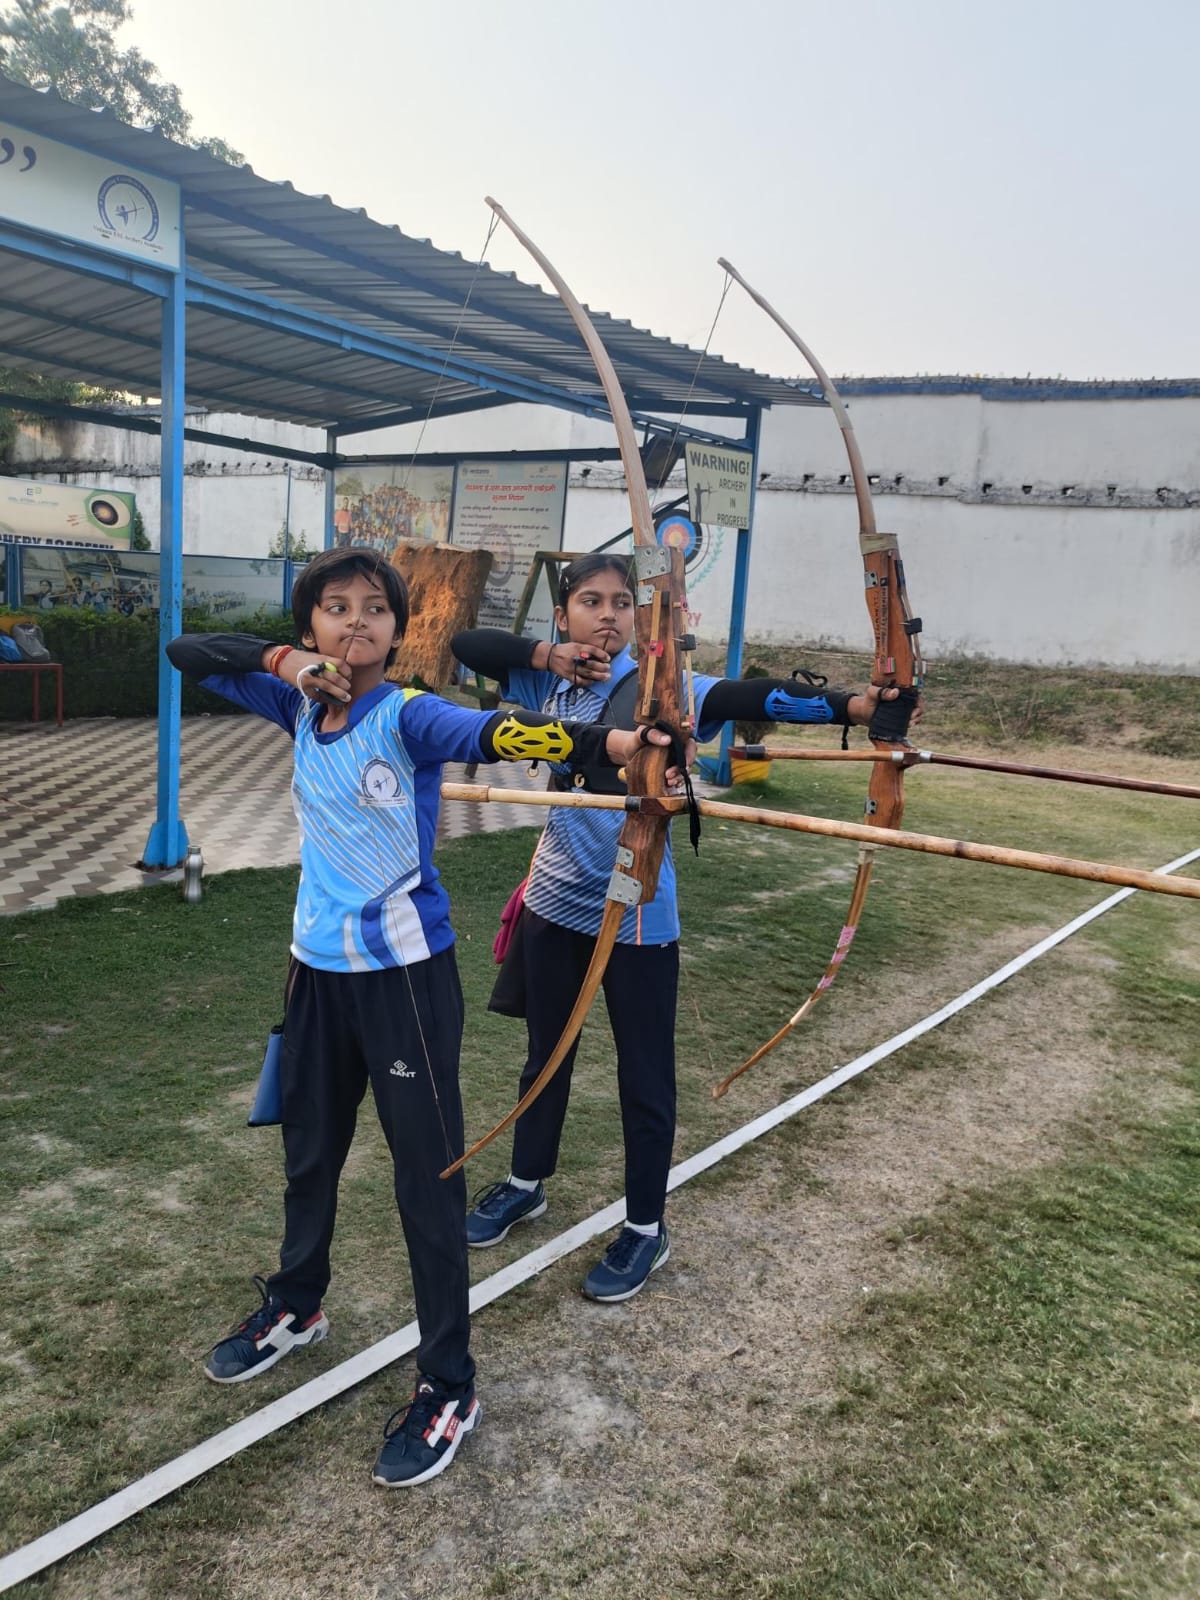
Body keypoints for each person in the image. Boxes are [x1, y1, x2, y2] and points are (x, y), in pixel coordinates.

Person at [166, 545, 675, 1488]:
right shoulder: (294, 703)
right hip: (316, 975)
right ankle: (297, 1303)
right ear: (311, 623)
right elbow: (185, 650)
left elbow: (502, 731)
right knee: (310, 1154)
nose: (356, 622)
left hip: (404, 979)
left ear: (399, 631)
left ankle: (449, 1383)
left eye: (375, 609)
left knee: (426, 1184)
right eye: (336, 607)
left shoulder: (407, 714)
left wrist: (618, 749)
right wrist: (287, 663)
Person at [452, 551, 910, 1302]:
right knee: (546, 1054)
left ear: (640, 617)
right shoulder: (540, 680)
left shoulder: (664, 686)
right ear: (563, 614)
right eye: (590, 601)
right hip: (555, 901)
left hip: (637, 912)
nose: (607, 615)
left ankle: (644, 1226)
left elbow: (747, 694)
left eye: (621, 602)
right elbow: (466, 645)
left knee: (644, 1075)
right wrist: (547, 657)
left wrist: (858, 709)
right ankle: (526, 1183)